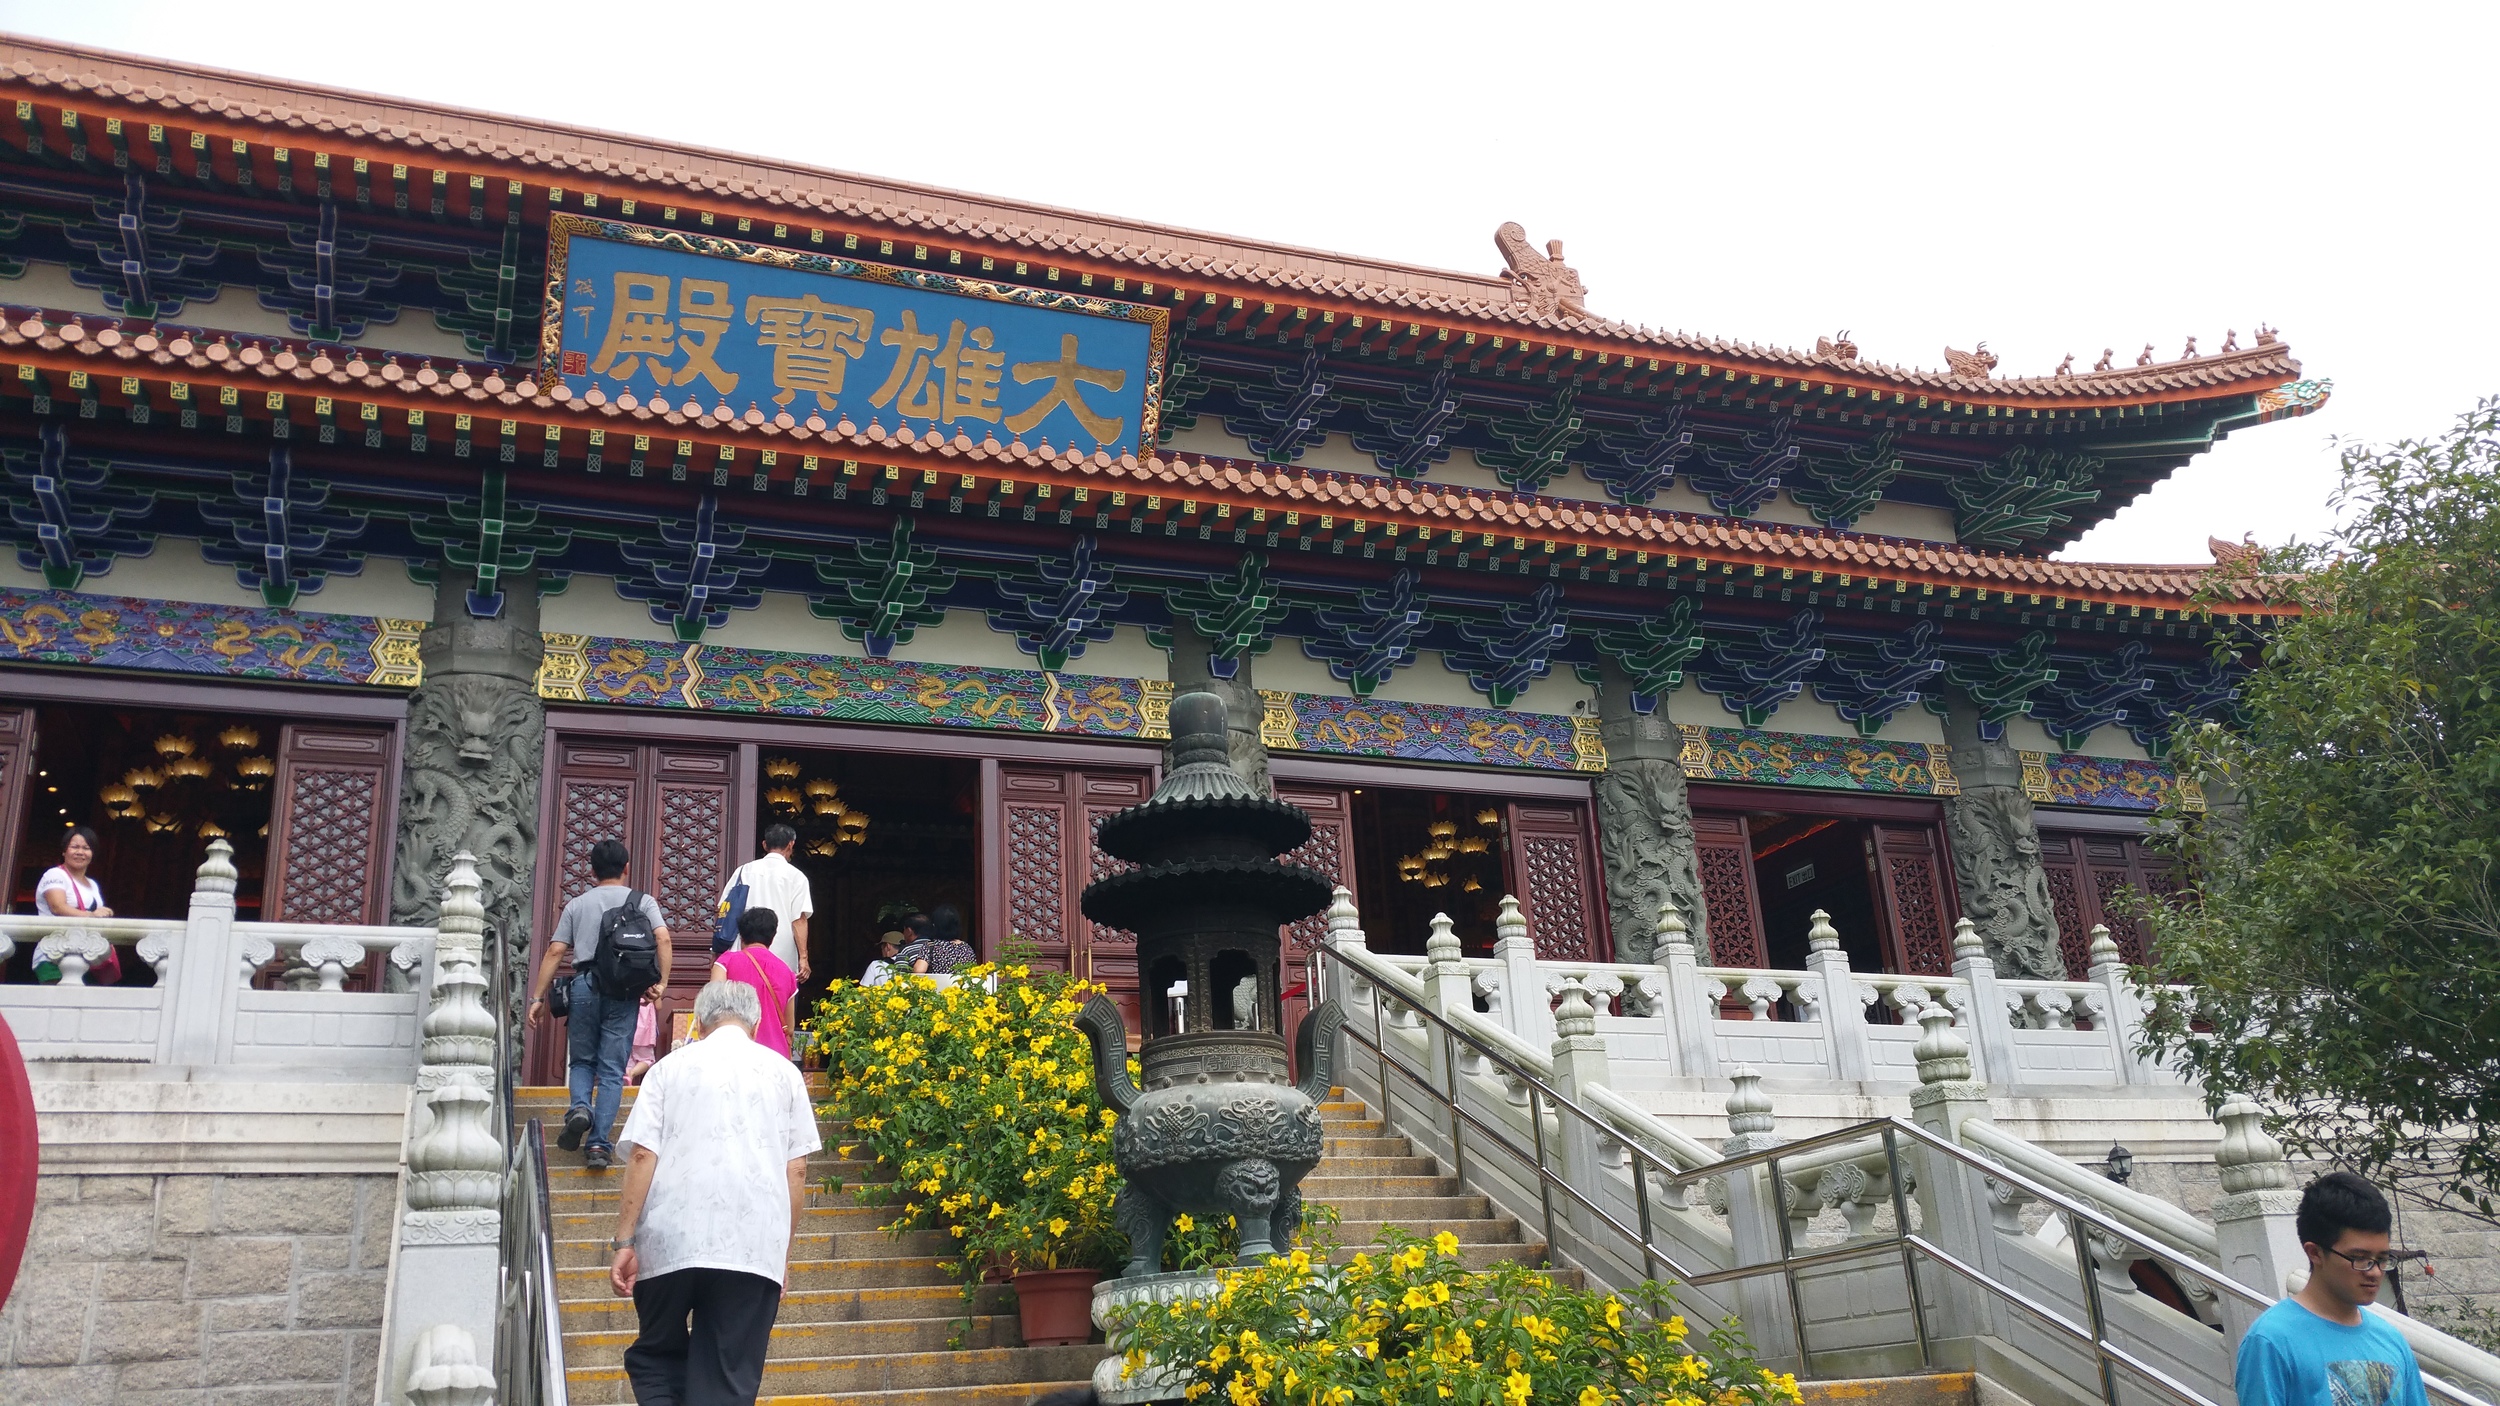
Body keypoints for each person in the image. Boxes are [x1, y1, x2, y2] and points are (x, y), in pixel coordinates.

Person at [610, 979, 819, 1406]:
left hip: (670, 1237)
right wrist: (783, 1251)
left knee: (656, 1353)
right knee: (728, 1376)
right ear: (757, 1023)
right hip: (752, 1243)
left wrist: (625, 1239)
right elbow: (796, 1169)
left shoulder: (668, 1068)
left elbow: (642, 1155)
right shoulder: (786, 1075)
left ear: (699, 1025)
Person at [525, 839, 672, 1171]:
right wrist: (660, 983)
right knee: (611, 1069)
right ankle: (598, 1145)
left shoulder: (577, 904)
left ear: (592, 871)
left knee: (582, 1062)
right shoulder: (643, 901)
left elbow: (555, 952)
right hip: (624, 990)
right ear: (626, 868)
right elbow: (663, 938)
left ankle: (580, 1108)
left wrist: (537, 998)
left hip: (584, 985)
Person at [2234, 1171, 2428, 1406]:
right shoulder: (2271, 1341)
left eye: (2382, 1259)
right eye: (2360, 1258)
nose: (2375, 1272)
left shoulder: (2390, 1340)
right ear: (2315, 1253)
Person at [717, 824, 815, 983]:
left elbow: (724, 909)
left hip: (744, 949)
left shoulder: (743, 871)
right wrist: (803, 958)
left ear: (764, 845)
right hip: (781, 953)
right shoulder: (796, 877)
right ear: (791, 844)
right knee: (778, 1002)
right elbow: (799, 920)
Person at [33, 826, 119, 985]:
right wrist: (91, 915)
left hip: (86, 956)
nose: (80, 852)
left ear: (93, 854)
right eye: (74, 847)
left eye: (86, 848)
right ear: (64, 851)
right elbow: (57, 907)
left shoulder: (92, 884)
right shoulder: (55, 875)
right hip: (54, 955)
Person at [710, 906, 798, 1060]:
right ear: (773, 936)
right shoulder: (787, 973)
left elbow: (712, 1009)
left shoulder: (725, 962)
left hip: (734, 1055)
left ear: (741, 935)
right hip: (776, 1057)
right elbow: (789, 1028)